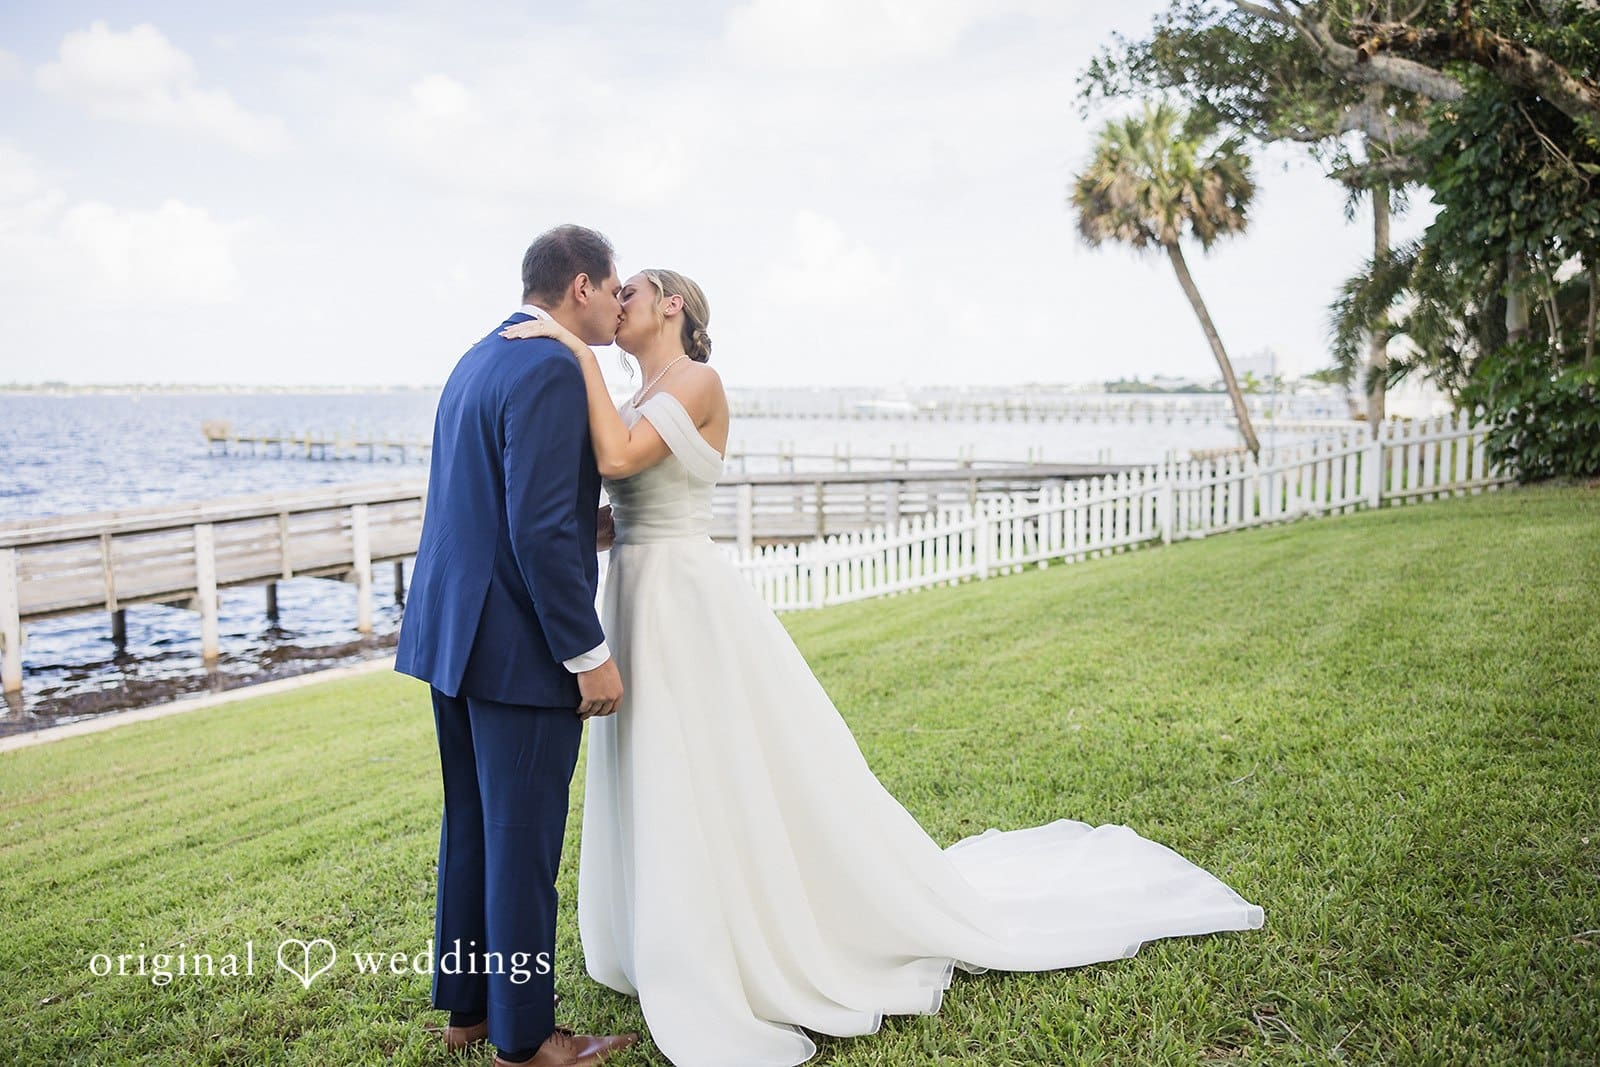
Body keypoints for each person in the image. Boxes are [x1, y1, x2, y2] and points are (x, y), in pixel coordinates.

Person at [501, 271, 1265, 1067]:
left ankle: (746, 931)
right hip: (632, 589)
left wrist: (569, 347)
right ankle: (674, 924)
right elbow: (614, 497)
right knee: (661, 762)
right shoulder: (635, 393)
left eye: (634, 289)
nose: (615, 301)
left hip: (684, 602)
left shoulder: (697, 380)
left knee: (705, 759)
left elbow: (622, 456)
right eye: (609, 292)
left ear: (673, 306)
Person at [395, 224, 638, 1067]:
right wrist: (586, 651)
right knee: (524, 842)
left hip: (451, 637)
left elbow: (496, 504)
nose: (618, 304)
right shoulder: (548, 367)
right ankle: (528, 1040)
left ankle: (468, 1010)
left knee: (473, 826)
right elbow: (535, 529)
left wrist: (597, 526)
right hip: (516, 652)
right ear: (581, 286)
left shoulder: (477, 358)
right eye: (614, 290)